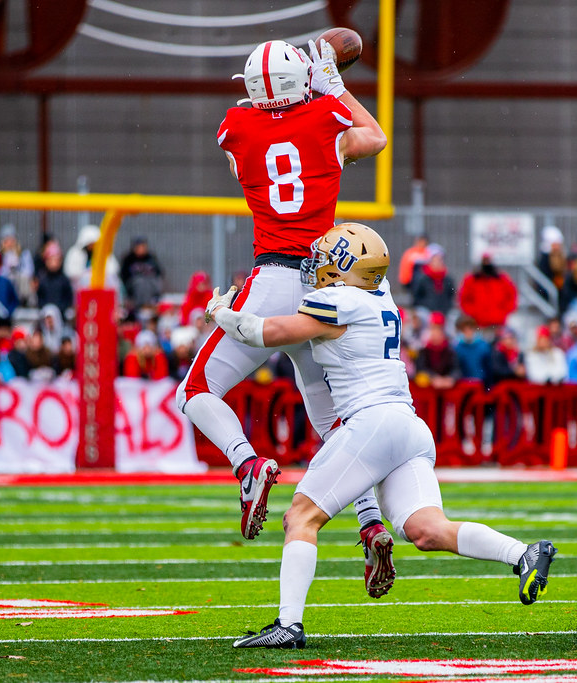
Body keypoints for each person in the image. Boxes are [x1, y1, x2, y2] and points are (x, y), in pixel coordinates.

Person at [207, 224, 557, 649]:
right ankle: (523, 554)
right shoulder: (382, 295)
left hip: (370, 421)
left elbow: (263, 334)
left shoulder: (336, 299)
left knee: (300, 517)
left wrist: (222, 312)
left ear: (346, 268)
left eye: (327, 258)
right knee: (426, 530)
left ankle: (288, 624)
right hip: (408, 426)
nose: (317, 265)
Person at [175, 37, 394, 595]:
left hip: (272, 277)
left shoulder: (237, 126)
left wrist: (290, 101)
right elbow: (375, 138)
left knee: (196, 390)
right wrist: (334, 86)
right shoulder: (326, 115)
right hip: (325, 279)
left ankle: (247, 465)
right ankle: (370, 523)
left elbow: (249, 149)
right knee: (331, 419)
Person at [458, 253, 517, 332]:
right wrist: (474, 314)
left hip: (498, 324)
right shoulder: (471, 280)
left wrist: (502, 313)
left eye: (488, 261)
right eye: (485, 261)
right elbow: (463, 299)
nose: (487, 263)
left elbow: (512, 296)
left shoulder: (502, 279)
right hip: (477, 324)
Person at [64, 224, 121, 294]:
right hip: (81, 289)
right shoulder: (75, 253)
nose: (92, 246)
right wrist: (87, 274)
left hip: (102, 287)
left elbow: (113, 269)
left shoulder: (104, 253)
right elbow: (70, 272)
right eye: (90, 243)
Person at [414, 312, 458, 389]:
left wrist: (450, 378)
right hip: (428, 390)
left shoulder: (450, 350)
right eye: (433, 329)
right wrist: (433, 377)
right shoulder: (424, 350)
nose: (435, 332)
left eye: (438, 329)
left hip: (447, 387)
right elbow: (420, 368)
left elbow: (456, 369)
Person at [409, 244, 456, 316]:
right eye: (435, 259)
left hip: (444, 314)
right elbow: (416, 298)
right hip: (427, 314)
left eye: (440, 259)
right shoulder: (422, 279)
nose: (438, 262)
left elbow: (450, 296)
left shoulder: (447, 279)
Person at [120, 236, 164, 311]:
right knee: (140, 282)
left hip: (149, 285)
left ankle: (150, 305)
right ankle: (141, 307)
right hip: (134, 287)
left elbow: (159, 273)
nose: (141, 249)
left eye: (143, 247)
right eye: (139, 247)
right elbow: (123, 275)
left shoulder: (151, 258)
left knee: (148, 282)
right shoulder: (129, 259)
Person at [0, 224, 35, 306]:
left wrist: (17, 266)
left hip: (19, 283)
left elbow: (29, 271)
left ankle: (25, 304)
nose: (9, 244)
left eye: (12, 240)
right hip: (4, 281)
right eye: (6, 241)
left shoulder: (23, 253)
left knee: (24, 279)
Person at [34, 241, 75, 318]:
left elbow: (68, 299)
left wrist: (58, 310)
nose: (53, 263)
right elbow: (39, 299)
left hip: (61, 317)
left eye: (56, 260)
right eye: (51, 260)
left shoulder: (64, 280)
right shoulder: (42, 279)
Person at [453, 316, 490, 384]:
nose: (468, 332)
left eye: (470, 328)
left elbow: (488, 367)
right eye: (464, 330)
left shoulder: (483, 346)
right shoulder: (456, 347)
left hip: (482, 383)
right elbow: (456, 368)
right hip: (463, 384)